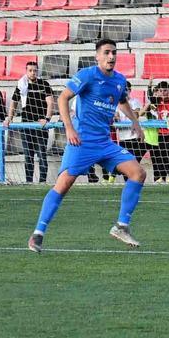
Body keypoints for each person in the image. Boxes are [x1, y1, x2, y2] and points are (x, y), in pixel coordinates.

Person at [28, 39, 147, 252]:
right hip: (82, 141)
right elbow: (63, 98)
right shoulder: (87, 75)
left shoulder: (119, 80)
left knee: (138, 173)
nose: (111, 56)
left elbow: (122, 101)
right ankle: (38, 233)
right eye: (107, 52)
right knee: (63, 184)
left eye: (114, 53)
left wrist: (135, 122)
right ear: (97, 56)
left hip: (104, 142)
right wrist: (69, 129)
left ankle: (121, 226)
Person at [3, 61, 56, 184]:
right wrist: (9, 118)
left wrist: (47, 118)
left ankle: (42, 182)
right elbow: (14, 102)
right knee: (28, 156)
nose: (33, 73)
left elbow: (50, 102)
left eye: (35, 70)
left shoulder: (44, 84)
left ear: (38, 71)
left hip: (41, 126)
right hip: (26, 126)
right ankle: (29, 182)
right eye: (30, 70)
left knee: (42, 155)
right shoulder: (22, 85)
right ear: (26, 71)